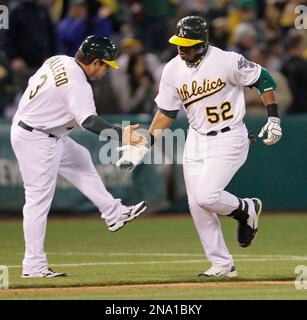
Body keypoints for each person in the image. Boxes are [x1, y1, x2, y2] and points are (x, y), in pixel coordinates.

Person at [116, 16, 282, 278]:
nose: (181, 49)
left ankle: (246, 208)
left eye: (187, 44)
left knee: (206, 196)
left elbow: (264, 78)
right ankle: (222, 264)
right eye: (178, 43)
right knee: (196, 203)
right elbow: (166, 113)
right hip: (196, 138)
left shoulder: (226, 60)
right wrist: (145, 143)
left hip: (229, 136)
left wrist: (273, 117)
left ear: (202, 44)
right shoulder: (172, 70)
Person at [10, 35, 148, 278]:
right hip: (37, 138)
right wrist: (121, 134)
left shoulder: (59, 59)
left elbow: (34, 82)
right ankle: (33, 266)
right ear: (95, 62)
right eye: (106, 65)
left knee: (81, 158)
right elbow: (89, 122)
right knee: (37, 202)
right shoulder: (78, 84)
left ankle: (113, 213)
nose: (107, 71)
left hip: (40, 129)